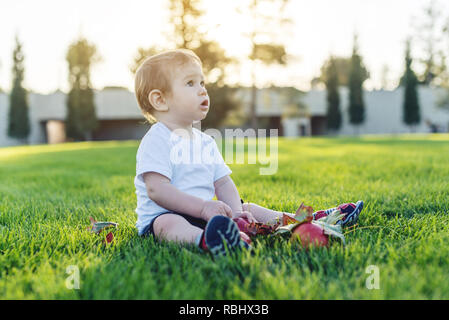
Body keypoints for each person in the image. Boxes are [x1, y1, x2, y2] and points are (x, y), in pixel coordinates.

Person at [133, 49, 363, 256]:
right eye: (190, 83)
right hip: (165, 217)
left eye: (202, 82)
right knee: (168, 223)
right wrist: (203, 208)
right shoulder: (157, 140)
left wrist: (235, 212)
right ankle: (206, 241)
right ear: (160, 100)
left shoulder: (205, 142)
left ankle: (304, 221)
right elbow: (157, 189)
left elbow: (222, 183)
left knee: (248, 209)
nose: (203, 90)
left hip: (207, 216)